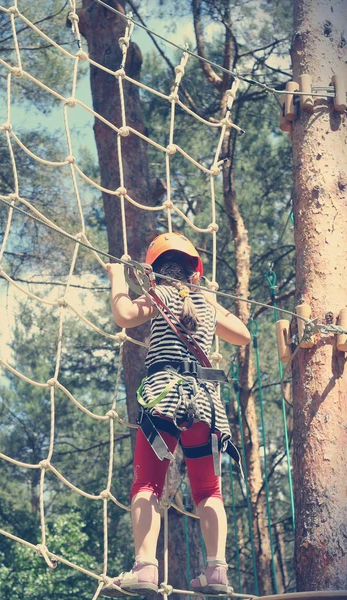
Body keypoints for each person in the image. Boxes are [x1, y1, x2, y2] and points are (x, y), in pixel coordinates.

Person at [103, 232, 251, 597]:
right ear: (195, 274)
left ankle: (145, 568)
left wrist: (118, 279)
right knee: (208, 489)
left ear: (153, 274)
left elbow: (124, 316)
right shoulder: (205, 304)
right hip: (204, 402)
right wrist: (214, 302)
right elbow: (243, 336)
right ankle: (216, 571)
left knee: (148, 485)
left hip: (164, 398)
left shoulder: (159, 294)